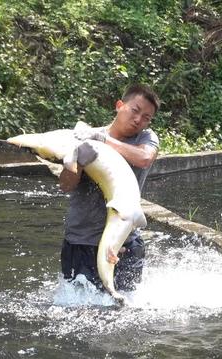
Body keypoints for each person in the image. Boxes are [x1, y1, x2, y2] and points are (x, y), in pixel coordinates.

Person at [59, 84, 160, 292]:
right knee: (77, 308)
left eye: (146, 117)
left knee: (125, 310)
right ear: (119, 105)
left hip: (125, 241)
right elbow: (66, 186)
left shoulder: (145, 138)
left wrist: (104, 141)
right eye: (135, 110)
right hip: (81, 240)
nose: (138, 120)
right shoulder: (86, 137)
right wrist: (76, 163)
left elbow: (145, 158)